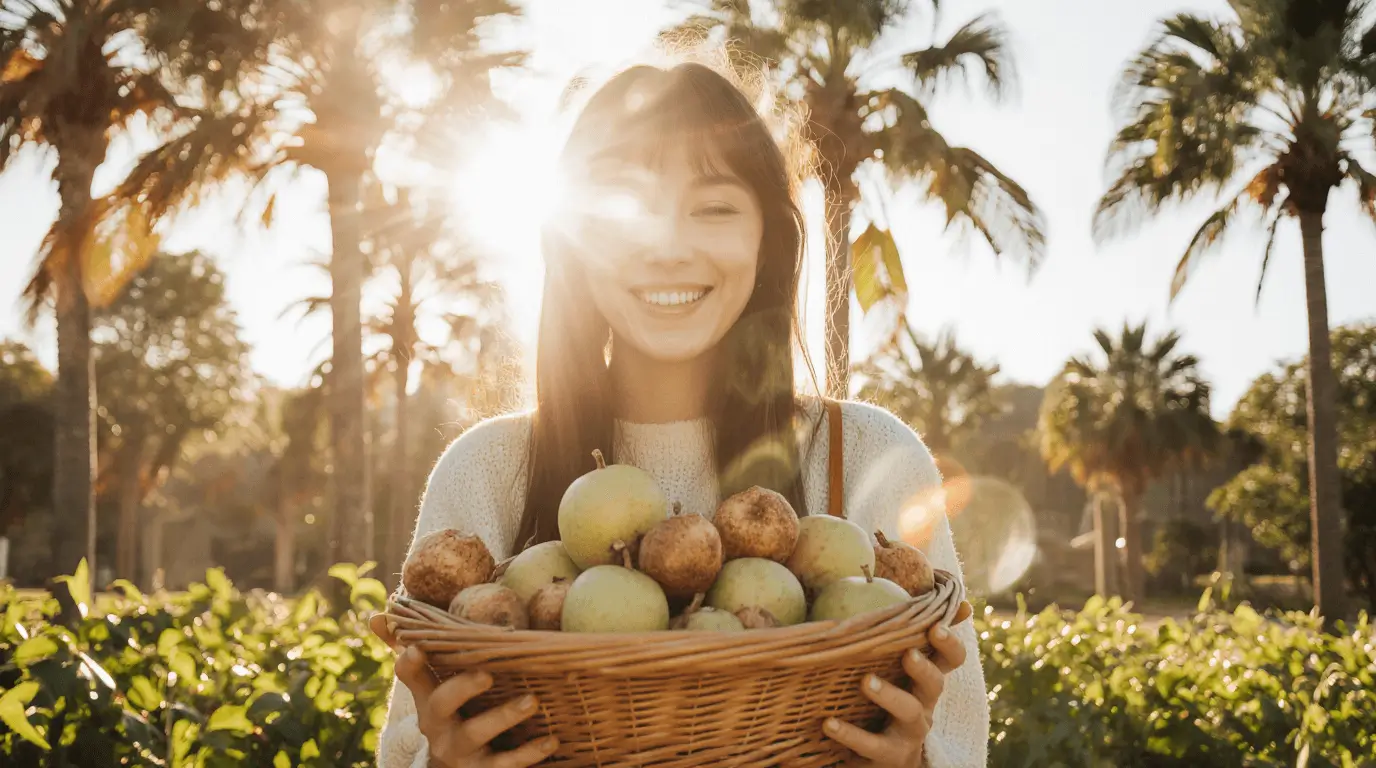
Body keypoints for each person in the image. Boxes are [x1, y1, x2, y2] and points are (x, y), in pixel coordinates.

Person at [372, 54, 989, 768]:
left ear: (767, 240)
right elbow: (407, 747)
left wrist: (915, 760)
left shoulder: (870, 458)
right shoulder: (490, 470)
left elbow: (962, 741)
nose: (666, 246)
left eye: (715, 207)